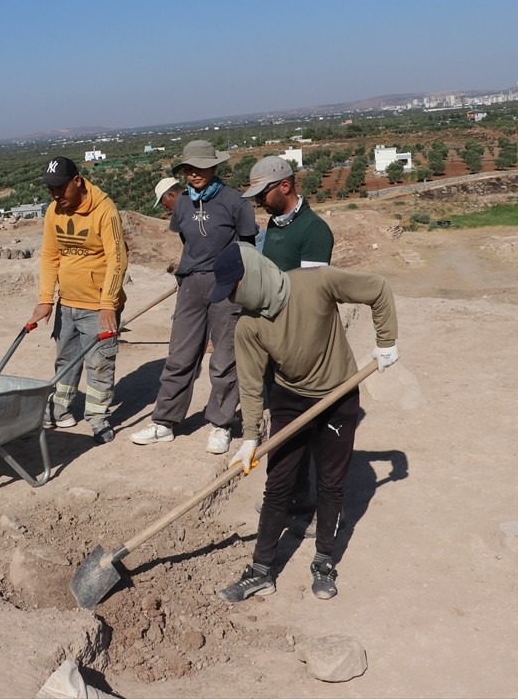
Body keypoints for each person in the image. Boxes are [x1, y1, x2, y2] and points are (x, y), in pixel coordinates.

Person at [211, 241, 399, 603]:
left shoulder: (316, 283)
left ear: (249, 277)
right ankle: (262, 570)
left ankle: (324, 561)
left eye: (234, 288)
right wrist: (250, 437)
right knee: (277, 483)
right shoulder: (248, 327)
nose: (233, 298)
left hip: (338, 398)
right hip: (289, 402)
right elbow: (250, 385)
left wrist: (386, 341)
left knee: (331, 484)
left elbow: (377, 288)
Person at [130, 140, 257, 455]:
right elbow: (187, 240)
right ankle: (164, 422)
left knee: (225, 358)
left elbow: (249, 243)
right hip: (190, 285)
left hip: (227, 284)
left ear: (214, 167)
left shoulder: (234, 201)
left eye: (200, 167)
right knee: (180, 354)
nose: (194, 173)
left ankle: (221, 424)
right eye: (189, 168)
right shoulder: (183, 202)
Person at [244, 155, 336, 516]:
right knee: (284, 424)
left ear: (285, 186)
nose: (258, 201)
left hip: (297, 345)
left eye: (262, 193)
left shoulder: (314, 231)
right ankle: (288, 497)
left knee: (305, 428)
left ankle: (307, 501)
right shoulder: (275, 225)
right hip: (271, 338)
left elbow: (312, 296)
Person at [27, 156, 128, 445]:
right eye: (51, 190)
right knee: (65, 360)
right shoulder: (52, 212)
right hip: (67, 304)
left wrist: (108, 302)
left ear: (77, 181)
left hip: (98, 306)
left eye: (61, 188)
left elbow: (117, 260)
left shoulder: (105, 211)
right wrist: (46, 299)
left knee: (100, 362)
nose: (57, 195)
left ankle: (98, 417)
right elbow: (50, 255)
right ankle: (61, 411)